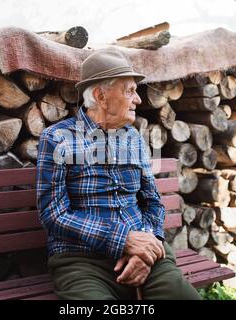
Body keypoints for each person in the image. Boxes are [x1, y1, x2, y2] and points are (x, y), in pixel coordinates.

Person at [36, 48, 201, 300]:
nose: (138, 100)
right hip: (82, 261)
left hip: (145, 250)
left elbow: (153, 202)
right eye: (130, 91)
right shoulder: (58, 139)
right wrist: (123, 239)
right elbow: (54, 213)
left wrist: (145, 249)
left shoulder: (134, 139)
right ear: (101, 96)